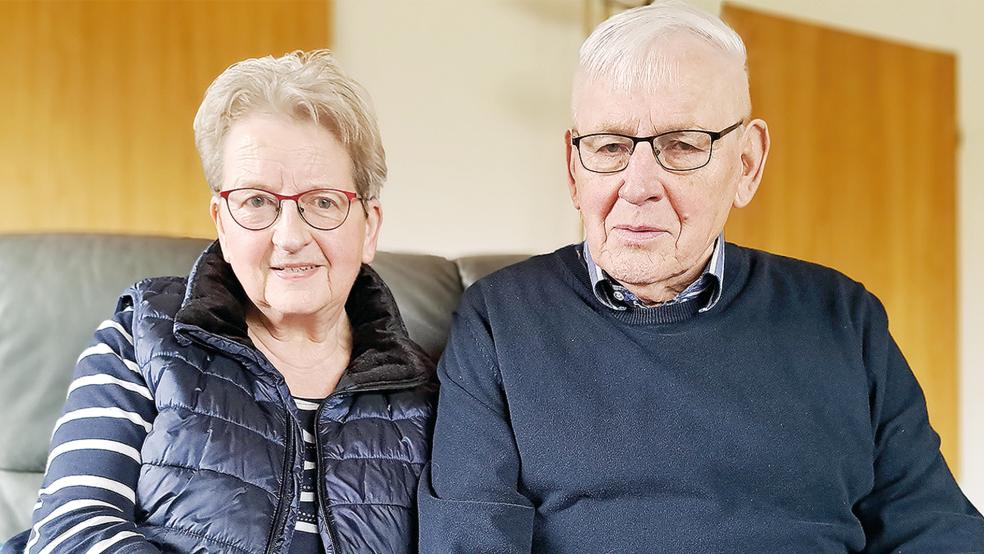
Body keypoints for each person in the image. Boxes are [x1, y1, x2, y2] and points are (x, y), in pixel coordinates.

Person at [418, 2, 984, 552]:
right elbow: (472, 536)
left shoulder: (843, 316)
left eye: (682, 145)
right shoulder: (499, 319)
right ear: (573, 166)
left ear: (747, 163)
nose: (637, 185)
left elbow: (932, 525)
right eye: (610, 146)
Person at [3, 50, 434, 554]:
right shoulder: (142, 336)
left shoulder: (427, 388)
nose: (289, 236)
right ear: (222, 224)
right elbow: (72, 530)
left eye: (323, 201)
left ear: (369, 225)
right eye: (257, 202)